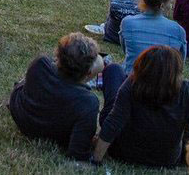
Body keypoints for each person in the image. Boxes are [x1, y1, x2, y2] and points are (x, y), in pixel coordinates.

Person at [7, 32, 116, 163]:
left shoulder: (40, 64)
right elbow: (78, 153)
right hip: (53, 133)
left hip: (23, 118)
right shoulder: (88, 102)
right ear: (88, 73)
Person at [91, 44, 189, 168]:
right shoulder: (188, 90)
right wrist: (185, 160)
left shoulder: (133, 83)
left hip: (122, 153)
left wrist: (96, 160)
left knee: (114, 70)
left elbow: (114, 122)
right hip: (166, 160)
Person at [118, 0, 188, 72]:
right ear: (163, 4)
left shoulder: (127, 23)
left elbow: (126, 50)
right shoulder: (178, 31)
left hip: (132, 82)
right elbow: (180, 64)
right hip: (162, 83)